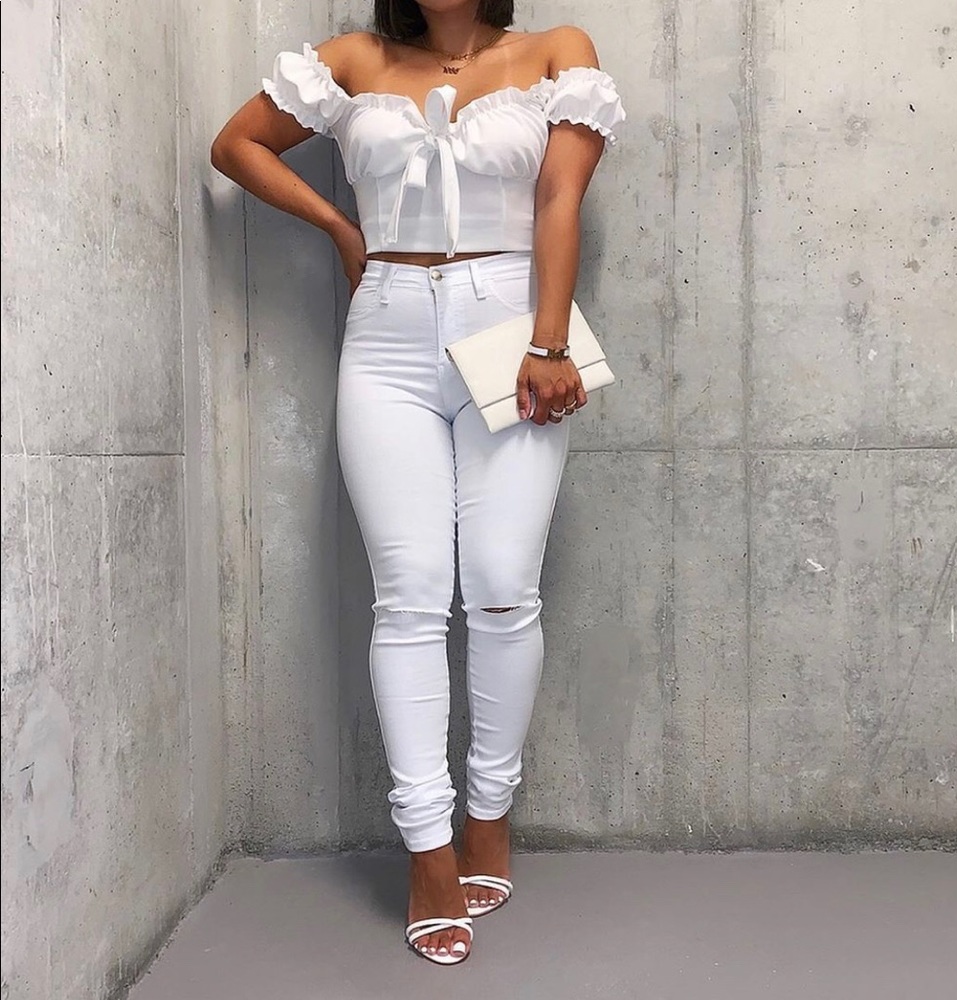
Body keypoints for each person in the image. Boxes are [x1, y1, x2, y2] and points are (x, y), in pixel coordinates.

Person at [210, 0, 625, 966]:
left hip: (509, 324)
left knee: (502, 582)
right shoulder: (353, 58)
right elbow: (236, 147)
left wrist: (549, 342)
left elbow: (559, 198)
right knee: (408, 595)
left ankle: (490, 811)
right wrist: (338, 227)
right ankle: (429, 848)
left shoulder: (556, 52)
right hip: (388, 334)